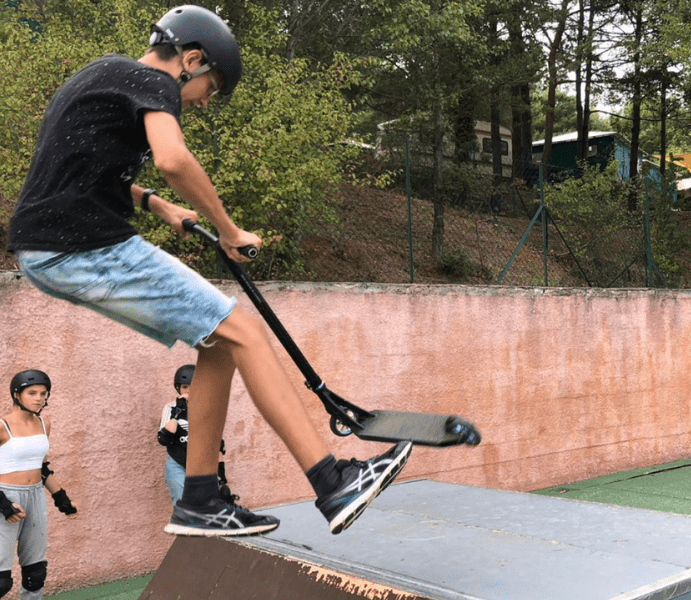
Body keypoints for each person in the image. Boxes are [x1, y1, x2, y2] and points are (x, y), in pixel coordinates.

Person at [7, 5, 411, 537]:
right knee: (243, 329)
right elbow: (174, 159)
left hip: (46, 247)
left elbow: (78, 167)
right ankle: (334, 481)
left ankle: (200, 499)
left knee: (217, 341)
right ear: (192, 60)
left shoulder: (101, 76)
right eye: (211, 88)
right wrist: (228, 228)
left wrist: (156, 204)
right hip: (84, 244)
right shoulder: (154, 81)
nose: (203, 102)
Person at [0, 370, 77, 600]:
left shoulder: (44, 423)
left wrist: (61, 497)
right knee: (1, 581)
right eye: (32, 393)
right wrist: (4, 505)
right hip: (6, 497)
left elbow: (41, 467)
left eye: (43, 394)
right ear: (16, 394)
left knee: (35, 573)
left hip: (35, 497)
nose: (39, 398)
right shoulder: (3, 425)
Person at [158, 365, 237, 505]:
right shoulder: (170, 408)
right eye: (185, 387)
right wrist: (178, 411)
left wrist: (221, 477)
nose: (189, 390)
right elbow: (164, 439)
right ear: (178, 388)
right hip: (178, 464)